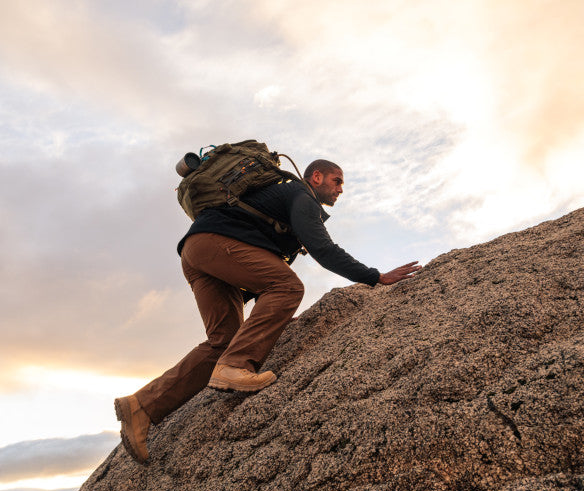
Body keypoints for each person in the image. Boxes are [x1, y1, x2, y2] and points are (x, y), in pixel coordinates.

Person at [114, 159, 421, 463]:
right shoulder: (302, 197)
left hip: (197, 250)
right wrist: (375, 276)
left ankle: (142, 407)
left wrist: (276, 315)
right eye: (336, 180)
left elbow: (254, 278)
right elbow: (324, 251)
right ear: (316, 177)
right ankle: (236, 366)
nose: (341, 189)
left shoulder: (282, 202)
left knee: (224, 340)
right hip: (218, 243)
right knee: (289, 287)